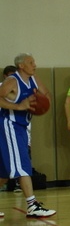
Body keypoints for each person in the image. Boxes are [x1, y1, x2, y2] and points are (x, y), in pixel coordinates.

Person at [0, 53, 56, 217]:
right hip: (9, 124)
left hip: (22, 127)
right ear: (21, 65)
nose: (35, 65)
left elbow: (47, 95)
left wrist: (42, 105)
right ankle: (32, 205)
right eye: (31, 63)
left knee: (4, 172)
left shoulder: (34, 79)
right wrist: (19, 106)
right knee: (23, 165)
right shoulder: (12, 81)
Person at [0, 66, 21, 193]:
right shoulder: (2, 89)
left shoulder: (20, 90)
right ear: (5, 76)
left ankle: (18, 183)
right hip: (3, 127)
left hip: (13, 131)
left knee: (7, 168)